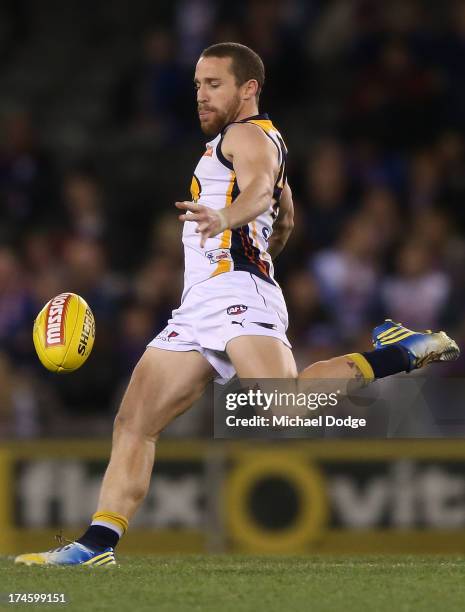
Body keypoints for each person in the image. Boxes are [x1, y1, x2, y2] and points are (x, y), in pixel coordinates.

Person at [15, 43, 460, 566]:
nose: (201, 95)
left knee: (284, 407)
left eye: (214, 84)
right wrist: (264, 232)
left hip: (235, 293)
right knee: (135, 421)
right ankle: (96, 545)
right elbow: (283, 213)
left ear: (248, 88)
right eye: (198, 84)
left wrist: (227, 220)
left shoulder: (246, 135)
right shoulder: (260, 143)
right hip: (200, 305)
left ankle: (403, 352)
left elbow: (255, 193)